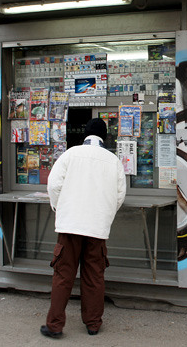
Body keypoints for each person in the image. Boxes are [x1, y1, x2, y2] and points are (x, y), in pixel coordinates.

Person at [41, 118, 126, 339]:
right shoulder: (113, 161)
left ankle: (54, 325)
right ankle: (93, 324)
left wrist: (59, 208)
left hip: (70, 225)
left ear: (85, 135)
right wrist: (105, 215)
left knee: (63, 275)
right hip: (97, 227)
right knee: (94, 276)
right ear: (105, 136)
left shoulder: (70, 154)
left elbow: (53, 185)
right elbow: (119, 196)